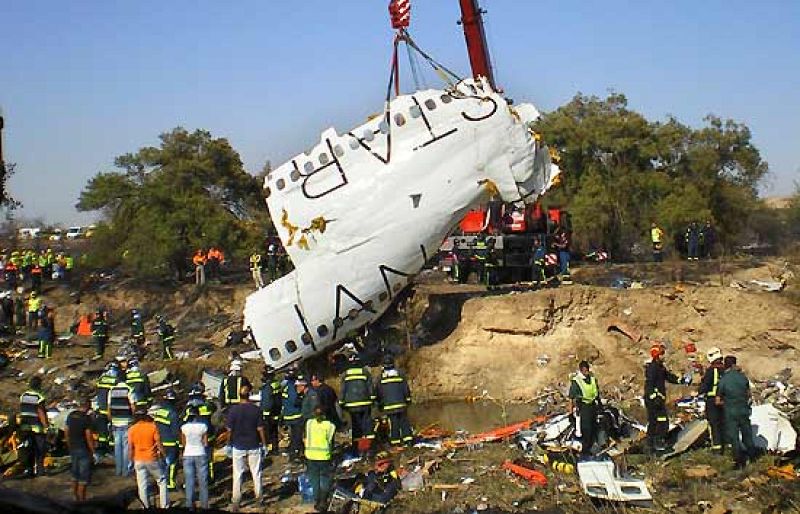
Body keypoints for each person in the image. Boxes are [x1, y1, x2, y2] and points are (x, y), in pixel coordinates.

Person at [226, 381, 267, 511]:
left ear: (239, 396)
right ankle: (259, 497)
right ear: (249, 395)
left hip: (238, 446)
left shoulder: (233, 411)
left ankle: (236, 501)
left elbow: (229, 430)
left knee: (237, 474)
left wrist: (228, 444)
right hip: (254, 444)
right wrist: (264, 444)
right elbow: (260, 428)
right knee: (256, 473)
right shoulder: (256, 410)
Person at [644, 342, 689, 452]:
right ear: (656, 355)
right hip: (653, 401)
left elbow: (669, 377)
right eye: (661, 354)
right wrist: (655, 397)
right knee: (660, 422)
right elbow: (649, 385)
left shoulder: (660, 367)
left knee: (657, 422)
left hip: (657, 400)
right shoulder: (652, 368)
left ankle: (653, 444)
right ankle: (657, 444)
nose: (663, 356)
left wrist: (680, 380)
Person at [717, 355, 757, 469]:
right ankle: (753, 457)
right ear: (735, 364)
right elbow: (749, 395)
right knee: (747, 434)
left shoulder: (723, 379)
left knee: (734, 436)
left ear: (726, 365)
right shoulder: (743, 377)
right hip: (743, 410)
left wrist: (727, 403)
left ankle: (739, 461)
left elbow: (718, 400)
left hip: (731, 411)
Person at [128, 409, 169, 509]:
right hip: (151, 458)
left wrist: (130, 461)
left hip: (138, 459)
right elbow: (158, 444)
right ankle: (164, 505)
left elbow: (130, 448)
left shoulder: (132, 429)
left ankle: (144, 506)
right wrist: (164, 455)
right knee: (162, 481)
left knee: (142, 485)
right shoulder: (152, 427)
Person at [340, 356, 375, 455]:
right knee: (367, 425)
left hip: (352, 406)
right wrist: (372, 399)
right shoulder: (365, 372)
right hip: (365, 403)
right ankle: (369, 447)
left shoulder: (345, 374)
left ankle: (357, 448)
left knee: (356, 426)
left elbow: (343, 390)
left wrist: (342, 402)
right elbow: (370, 387)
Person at [375, 356, 413, 446]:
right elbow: (405, 389)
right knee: (404, 422)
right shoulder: (400, 374)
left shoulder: (381, 378)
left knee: (393, 424)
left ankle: (395, 442)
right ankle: (408, 441)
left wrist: (379, 405)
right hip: (401, 405)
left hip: (389, 406)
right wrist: (408, 400)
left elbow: (378, 392)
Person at [304, 406, 336, 513]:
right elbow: (330, 440)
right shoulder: (330, 426)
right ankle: (323, 501)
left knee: (314, 479)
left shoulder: (309, 423)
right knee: (325, 479)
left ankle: (317, 500)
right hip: (324, 456)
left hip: (311, 455)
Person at [184, 382, 217, 479]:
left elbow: (184, 420)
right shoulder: (207, 405)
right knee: (209, 458)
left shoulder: (188, 407)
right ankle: (210, 477)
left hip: (193, 437)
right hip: (208, 435)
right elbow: (214, 408)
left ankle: (194, 477)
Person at [65, 398, 95, 501]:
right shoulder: (86, 418)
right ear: (86, 406)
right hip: (84, 449)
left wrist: (69, 444)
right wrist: (92, 451)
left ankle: (75, 496)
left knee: (75, 474)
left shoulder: (71, 415)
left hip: (73, 448)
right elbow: (89, 437)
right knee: (83, 476)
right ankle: (82, 500)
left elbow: (66, 431)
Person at [19, 376, 49, 476]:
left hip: (25, 426)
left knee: (29, 449)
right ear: (39, 385)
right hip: (37, 427)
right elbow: (40, 411)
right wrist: (46, 426)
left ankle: (30, 470)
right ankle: (40, 470)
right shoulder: (39, 397)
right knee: (40, 449)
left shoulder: (23, 395)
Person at [568, 361, 600, 457]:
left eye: (587, 370)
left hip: (593, 406)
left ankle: (593, 448)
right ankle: (584, 452)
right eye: (585, 370)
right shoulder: (577, 381)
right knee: (586, 430)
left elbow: (596, 393)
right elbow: (571, 398)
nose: (587, 372)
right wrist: (570, 413)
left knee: (594, 428)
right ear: (582, 370)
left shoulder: (592, 379)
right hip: (583, 407)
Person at [181, 406, 209, 509]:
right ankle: (204, 505)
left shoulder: (184, 427)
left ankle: (190, 505)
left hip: (188, 454)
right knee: (203, 481)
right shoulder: (203, 426)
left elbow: (183, 443)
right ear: (198, 415)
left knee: (189, 481)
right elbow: (205, 443)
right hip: (200, 453)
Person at [698, 347, 725, 452]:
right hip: (724, 400)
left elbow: (705, 386)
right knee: (724, 422)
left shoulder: (711, 371)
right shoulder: (725, 370)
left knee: (714, 424)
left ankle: (717, 448)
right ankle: (727, 445)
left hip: (712, 401)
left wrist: (698, 390)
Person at [153, 389, 181, 490]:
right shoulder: (173, 414)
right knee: (172, 464)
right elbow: (175, 431)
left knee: (162, 463)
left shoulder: (159, 412)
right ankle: (170, 484)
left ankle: (161, 482)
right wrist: (179, 444)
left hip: (160, 441)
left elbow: (155, 426)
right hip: (171, 443)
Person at [109, 375, 136, 476]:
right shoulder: (129, 389)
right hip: (126, 421)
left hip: (115, 421)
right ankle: (126, 470)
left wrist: (111, 419)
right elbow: (132, 406)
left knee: (117, 446)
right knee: (126, 447)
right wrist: (134, 418)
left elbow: (108, 407)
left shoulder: (111, 390)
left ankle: (118, 470)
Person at [94, 363, 119, 458]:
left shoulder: (101, 380)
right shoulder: (115, 380)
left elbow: (97, 391)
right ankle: (112, 450)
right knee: (113, 431)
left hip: (101, 409)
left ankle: (101, 451)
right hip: (111, 410)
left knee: (102, 433)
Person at [281, 370, 304, 460]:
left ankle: (298, 450)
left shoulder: (285, 386)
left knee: (294, 435)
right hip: (295, 415)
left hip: (287, 414)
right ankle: (294, 455)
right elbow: (295, 401)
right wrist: (302, 400)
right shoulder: (291, 387)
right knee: (297, 436)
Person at [260, 366, 282, 454]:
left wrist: (264, 413)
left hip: (269, 414)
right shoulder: (276, 384)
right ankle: (275, 448)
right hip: (276, 412)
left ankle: (267, 449)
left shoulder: (268, 386)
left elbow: (267, 401)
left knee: (268, 432)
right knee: (274, 431)